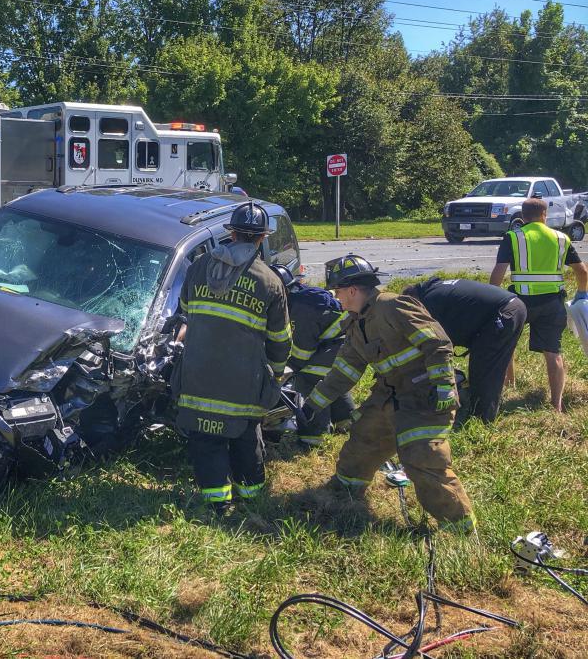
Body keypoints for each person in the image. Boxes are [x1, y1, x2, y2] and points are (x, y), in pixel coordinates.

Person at [302, 254, 476, 533]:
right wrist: (313, 404)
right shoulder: (356, 322)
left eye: (337, 292)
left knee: (423, 457)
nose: (336, 298)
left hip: (425, 396)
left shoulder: (393, 306)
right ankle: (346, 489)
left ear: (352, 290)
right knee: (364, 438)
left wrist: (444, 386)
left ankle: (460, 526)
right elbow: (345, 370)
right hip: (389, 394)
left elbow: (438, 343)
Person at [176, 201, 291, 516]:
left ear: (232, 233)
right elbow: (280, 340)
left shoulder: (199, 267)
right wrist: (276, 377)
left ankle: (216, 503)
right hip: (242, 383)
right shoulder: (269, 282)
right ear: (261, 238)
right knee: (243, 436)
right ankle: (251, 497)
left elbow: (185, 313)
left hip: (198, 375)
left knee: (206, 440)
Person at [490, 197, 588, 413]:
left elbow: (498, 273)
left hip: (518, 302)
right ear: (545, 215)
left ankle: (509, 384)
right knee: (553, 352)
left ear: (523, 217)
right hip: (552, 303)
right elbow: (582, 271)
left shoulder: (513, 238)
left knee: (508, 343)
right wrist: (582, 294)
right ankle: (556, 405)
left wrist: (492, 298)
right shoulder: (561, 238)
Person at [402, 278, 527, 424]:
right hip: (512, 307)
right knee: (489, 362)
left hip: (503, 313)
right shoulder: (435, 290)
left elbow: (438, 345)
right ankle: (480, 408)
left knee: (484, 370)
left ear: (414, 300)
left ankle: (481, 421)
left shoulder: (430, 303)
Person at [270, 264, 355, 445]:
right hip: (340, 346)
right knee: (331, 382)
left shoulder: (300, 310)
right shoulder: (301, 297)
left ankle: (314, 437)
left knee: (309, 379)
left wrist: (284, 369)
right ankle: (345, 421)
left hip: (337, 348)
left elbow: (301, 353)